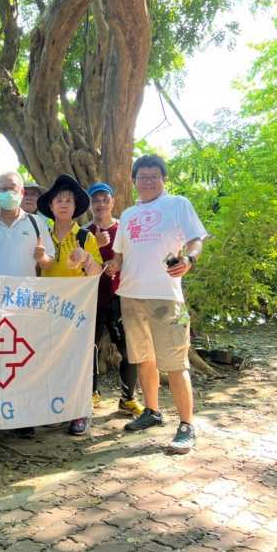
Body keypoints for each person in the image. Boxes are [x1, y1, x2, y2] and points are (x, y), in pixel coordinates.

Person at [106, 155, 208, 454]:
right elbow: (120, 255)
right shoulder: (127, 215)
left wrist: (189, 259)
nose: (148, 180)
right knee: (143, 357)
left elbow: (196, 240)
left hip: (166, 296)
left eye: (154, 176)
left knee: (176, 363)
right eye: (142, 176)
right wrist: (112, 265)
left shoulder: (177, 205)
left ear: (163, 179)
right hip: (131, 295)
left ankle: (187, 425)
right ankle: (152, 411)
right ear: (134, 180)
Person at [0, 171, 56, 438]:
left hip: (26, 303)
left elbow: (49, 262)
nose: (9, 192)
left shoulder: (36, 224)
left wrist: (42, 258)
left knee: (24, 360)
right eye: (3, 188)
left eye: (14, 188)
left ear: (22, 193)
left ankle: (23, 416)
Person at [38, 175, 103, 436]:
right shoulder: (41, 236)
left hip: (76, 311)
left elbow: (97, 272)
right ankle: (56, 409)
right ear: (51, 207)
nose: (64, 204)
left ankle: (79, 412)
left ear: (75, 207)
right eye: (58, 200)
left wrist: (86, 258)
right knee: (50, 360)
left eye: (69, 200)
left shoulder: (86, 237)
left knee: (78, 360)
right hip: (45, 310)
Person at [86, 182, 143, 419]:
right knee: (89, 348)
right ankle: (90, 394)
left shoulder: (124, 228)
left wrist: (116, 266)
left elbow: (136, 259)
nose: (100, 204)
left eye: (104, 199)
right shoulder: (83, 232)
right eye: (95, 200)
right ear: (90, 204)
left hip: (121, 297)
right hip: (91, 299)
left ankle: (128, 398)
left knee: (129, 350)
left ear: (113, 202)